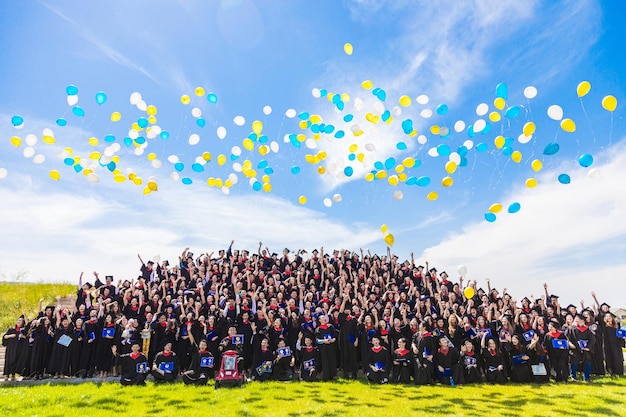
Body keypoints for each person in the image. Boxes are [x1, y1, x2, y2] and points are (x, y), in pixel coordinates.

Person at [567, 314, 595, 382]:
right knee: (574, 363)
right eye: (576, 319)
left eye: (578, 319)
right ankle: (573, 377)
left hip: (585, 349)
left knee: (587, 363)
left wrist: (588, 347)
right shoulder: (571, 328)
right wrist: (570, 344)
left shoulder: (587, 330)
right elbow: (567, 338)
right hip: (575, 349)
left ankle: (587, 378)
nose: (576, 320)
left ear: (582, 321)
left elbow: (592, 340)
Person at [314, 314, 337, 381]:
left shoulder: (330, 326)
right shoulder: (318, 329)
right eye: (322, 317)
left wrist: (334, 339)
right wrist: (323, 341)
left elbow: (335, 335)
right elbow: (317, 340)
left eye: (324, 317)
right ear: (320, 320)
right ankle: (326, 377)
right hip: (323, 348)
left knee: (332, 360)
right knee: (325, 362)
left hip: (331, 347)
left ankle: (332, 376)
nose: (324, 318)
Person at [601, 312, 624, 377]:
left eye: (610, 316)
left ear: (612, 318)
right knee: (608, 357)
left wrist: (623, 338)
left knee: (617, 357)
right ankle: (610, 372)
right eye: (606, 316)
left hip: (616, 345)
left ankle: (618, 372)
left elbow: (620, 334)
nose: (608, 318)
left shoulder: (616, 326)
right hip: (607, 344)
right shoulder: (603, 326)